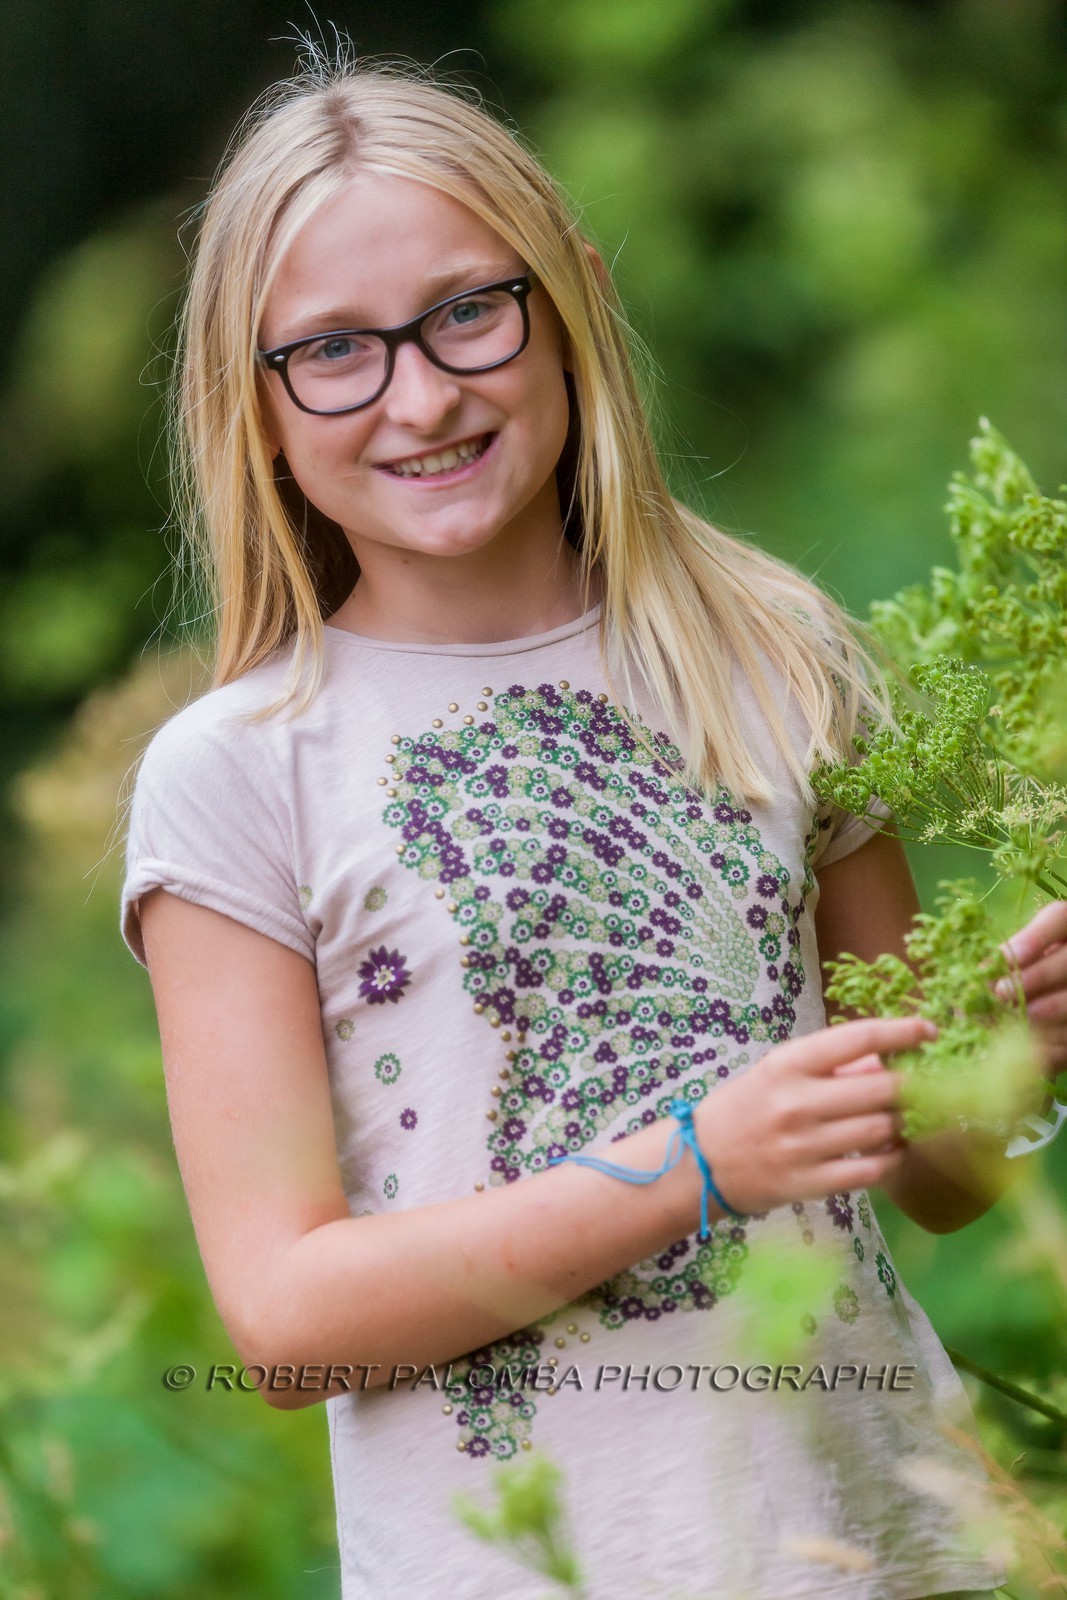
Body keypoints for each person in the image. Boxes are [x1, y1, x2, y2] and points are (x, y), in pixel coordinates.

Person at [119, 53, 1065, 1600]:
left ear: (570, 302)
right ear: (257, 405)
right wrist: (693, 1164)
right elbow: (287, 1324)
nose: (422, 395)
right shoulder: (240, 771)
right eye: (335, 350)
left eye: (467, 313)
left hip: (895, 1548)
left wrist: (1000, 1059)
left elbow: (940, 1178)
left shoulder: (776, 653)